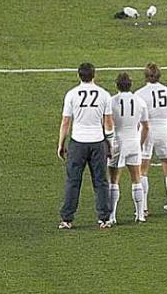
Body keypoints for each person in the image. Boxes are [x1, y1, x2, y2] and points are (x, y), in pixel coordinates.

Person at [57, 62, 113, 230]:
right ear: (94, 75)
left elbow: (66, 122)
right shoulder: (104, 95)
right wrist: (110, 144)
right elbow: (108, 123)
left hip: (78, 143)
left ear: (79, 76)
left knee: (73, 181)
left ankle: (67, 219)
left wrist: (61, 144)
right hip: (97, 142)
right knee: (101, 182)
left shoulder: (72, 94)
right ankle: (104, 218)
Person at [135, 63, 167, 217]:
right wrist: (166, 130)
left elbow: (136, 119)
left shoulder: (139, 94)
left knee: (142, 171)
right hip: (163, 130)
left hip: (146, 131)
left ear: (146, 76)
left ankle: (144, 208)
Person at [108, 72, 149, 224]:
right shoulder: (140, 101)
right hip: (134, 141)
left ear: (116, 85)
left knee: (114, 180)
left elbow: (107, 124)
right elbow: (146, 126)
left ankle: (112, 216)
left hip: (118, 142)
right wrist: (139, 143)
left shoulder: (112, 101)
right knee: (136, 179)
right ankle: (140, 215)